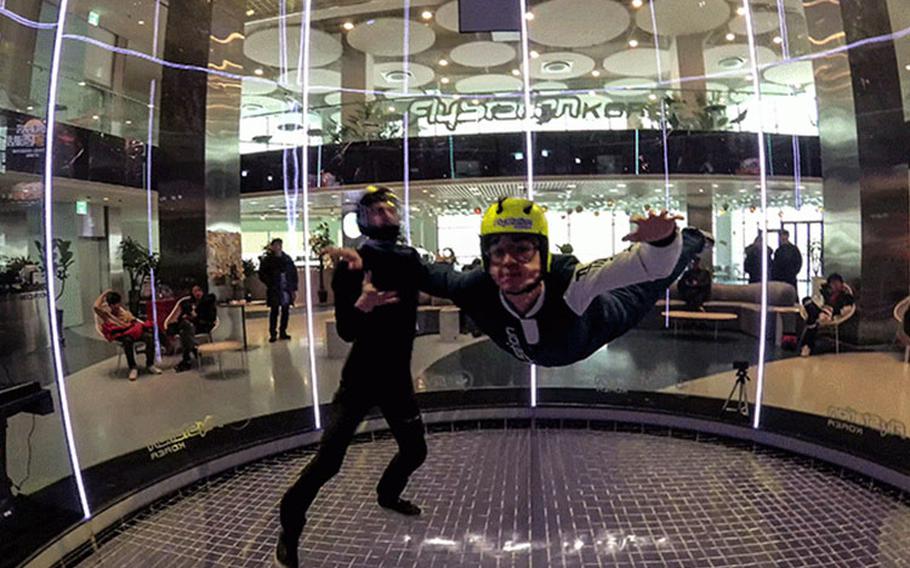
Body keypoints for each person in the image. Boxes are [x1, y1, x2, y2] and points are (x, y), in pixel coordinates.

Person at [330, 197, 708, 367]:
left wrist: (664, 240)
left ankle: (695, 238)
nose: (510, 263)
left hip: (586, 330)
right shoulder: (474, 287)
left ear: (543, 256)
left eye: (523, 251)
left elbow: (645, 269)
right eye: (498, 252)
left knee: (644, 291)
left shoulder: (570, 282)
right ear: (485, 257)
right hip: (536, 347)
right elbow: (423, 270)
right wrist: (366, 255)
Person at [275, 187, 427, 568]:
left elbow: (436, 280)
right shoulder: (353, 263)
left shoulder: (409, 258)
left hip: (397, 377)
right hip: (360, 378)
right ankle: (289, 528)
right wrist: (363, 303)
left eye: (389, 207)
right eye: (375, 210)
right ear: (362, 218)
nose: (385, 213)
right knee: (328, 463)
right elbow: (346, 329)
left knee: (415, 450)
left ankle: (387, 494)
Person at [93, 290, 161, 381]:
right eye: (114, 305)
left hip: (131, 331)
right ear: (110, 305)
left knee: (149, 337)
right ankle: (133, 367)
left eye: (118, 304)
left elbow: (132, 320)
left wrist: (130, 321)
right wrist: (105, 293)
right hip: (119, 333)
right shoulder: (106, 314)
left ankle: (150, 364)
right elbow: (95, 306)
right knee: (127, 340)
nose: (117, 306)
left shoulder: (122, 312)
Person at [799, 273, 855, 357]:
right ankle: (816, 317)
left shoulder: (845, 297)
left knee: (812, 320)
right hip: (819, 310)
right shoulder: (824, 293)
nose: (835, 285)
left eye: (837, 283)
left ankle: (807, 345)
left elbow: (846, 309)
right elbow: (816, 300)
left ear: (841, 284)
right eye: (833, 283)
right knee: (806, 300)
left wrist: (835, 312)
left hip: (830, 314)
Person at [167, 284, 217, 373]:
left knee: (185, 329)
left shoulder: (208, 301)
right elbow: (181, 316)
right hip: (189, 326)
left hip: (203, 325)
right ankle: (191, 352)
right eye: (194, 291)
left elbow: (210, 318)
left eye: (199, 290)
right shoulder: (188, 303)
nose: (197, 293)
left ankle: (186, 360)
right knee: (186, 328)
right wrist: (188, 316)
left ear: (203, 291)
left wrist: (196, 316)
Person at [259, 238, 298, 343]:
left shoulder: (287, 259)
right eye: (275, 245)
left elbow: (293, 274)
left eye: (279, 245)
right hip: (275, 289)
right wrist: (269, 282)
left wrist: (294, 289)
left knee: (285, 311)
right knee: (274, 311)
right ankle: (273, 333)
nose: (278, 247)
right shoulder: (268, 260)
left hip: (286, 289)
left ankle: (283, 331)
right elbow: (262, 274)